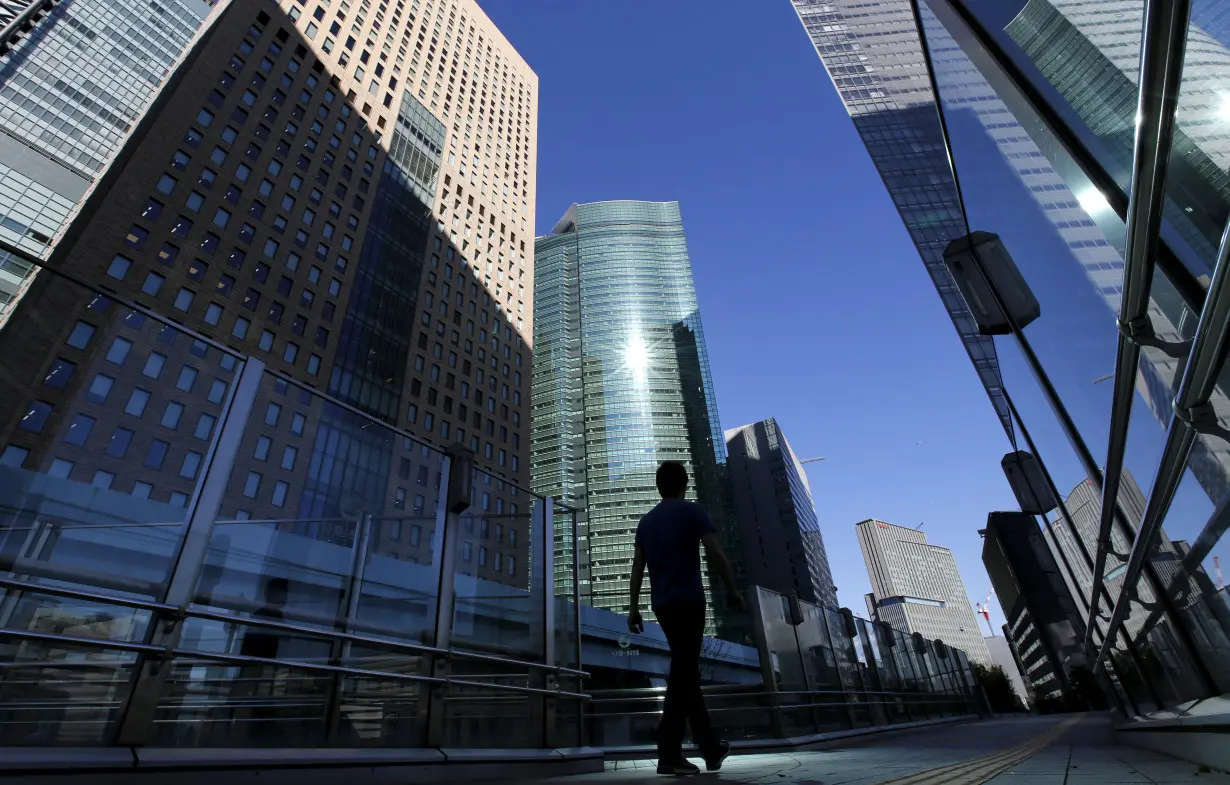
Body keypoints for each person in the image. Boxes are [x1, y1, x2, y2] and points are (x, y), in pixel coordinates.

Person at [629, 461, 745, 776]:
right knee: (684, 673)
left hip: (662, 605)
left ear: (658, 486)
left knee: (685, 672)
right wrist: (733, 590)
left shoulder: (646, 522)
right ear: (684, 484)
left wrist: (632, 608)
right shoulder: (692, 511)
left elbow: (638, 567)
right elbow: (715, 552)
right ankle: (669, 752)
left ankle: (710, 748)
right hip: (689, 602)